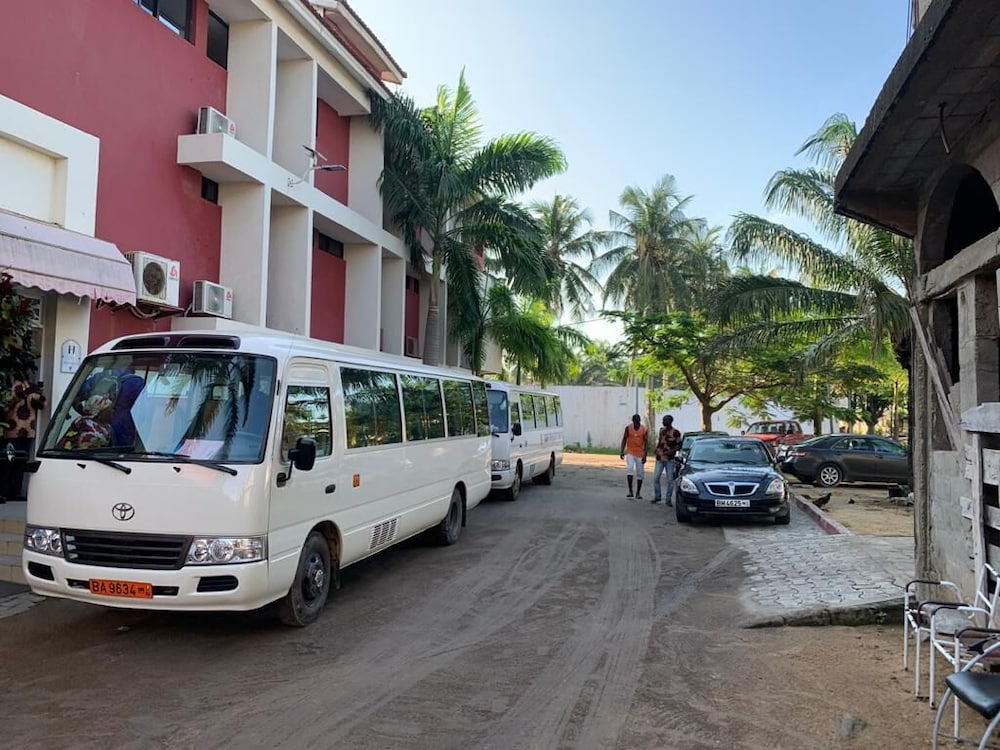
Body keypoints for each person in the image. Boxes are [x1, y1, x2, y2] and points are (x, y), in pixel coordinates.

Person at [651, 414, 682, 506]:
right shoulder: (661, 431)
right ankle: (657, 496)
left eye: (665, 420)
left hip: (669, 459)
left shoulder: (676, 432)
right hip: (660, 458)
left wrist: (672, 451)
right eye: (663, 420)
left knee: (670, 480)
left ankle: (668, 499)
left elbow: (679, 445)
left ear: (670, 421)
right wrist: (656, 449)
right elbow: (660, 441)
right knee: (656, 478)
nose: (663, 422)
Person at [619, 413, 649, 500]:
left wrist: (645, 455)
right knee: (630, 469)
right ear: (632, 421)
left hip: (640, 453)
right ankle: (630, 491)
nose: (636, 423)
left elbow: (646, 442)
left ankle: (638, 493)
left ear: (639, 421)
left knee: (640, 473)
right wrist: (622, 451)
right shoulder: (628, 428)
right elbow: (624, 439)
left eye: (637, 422)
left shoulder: (644, 429)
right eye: (634, 422)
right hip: (630, 452)